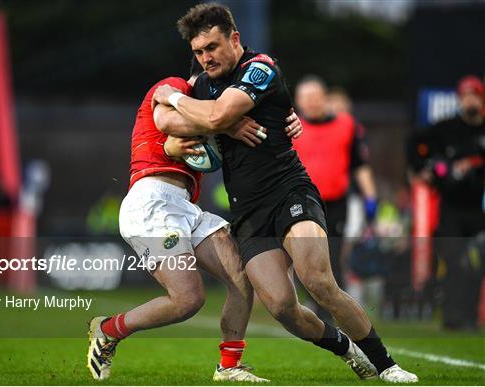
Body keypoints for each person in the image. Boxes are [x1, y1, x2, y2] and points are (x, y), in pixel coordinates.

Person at [151, 3, 418, 383]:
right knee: (280, 305)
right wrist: (215, 120)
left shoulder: (259, 68)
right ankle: (345, 348)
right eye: (198, 52)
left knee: (319, 280)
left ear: (235, 38)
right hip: (247, 209)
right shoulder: (203, 84)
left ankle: (386, 364)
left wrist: (181, 101)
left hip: (288, 189)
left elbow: (207, 116)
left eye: (212, 47)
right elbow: (163, 120)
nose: (205, 58)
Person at [86, 59, 302, 382]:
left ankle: (229, 366)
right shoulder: (176, 87)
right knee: (188, 300)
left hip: (185, 207)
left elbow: (252, 120)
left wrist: (289, 120)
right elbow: (166, 119)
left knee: (242, 276)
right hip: (151, 201)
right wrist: (224, 125)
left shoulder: (211, 106)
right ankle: (108, 330)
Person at [409, 75, 485, 330]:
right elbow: (415, 145)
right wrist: (421, 170)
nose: (470, 101)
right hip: (451, 206)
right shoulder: (445, 129)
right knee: (453, 261)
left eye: (474, 95)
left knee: (476, 264)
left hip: (479, 207)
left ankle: (470, 316)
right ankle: (451, 316)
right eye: (465, 96)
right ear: (459, 99)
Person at [293, 75, 378, 286]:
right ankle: (310, 304)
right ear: (298, 101)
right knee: (304, 257)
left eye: (316, 96)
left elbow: (359, 165)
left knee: (333, 258)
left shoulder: (346, 125)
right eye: (306, 98)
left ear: (325, 98)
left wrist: (371, 197)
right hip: (301, 202)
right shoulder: (291, 129)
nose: (312, 102)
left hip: (336, 202)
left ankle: (331, 310)